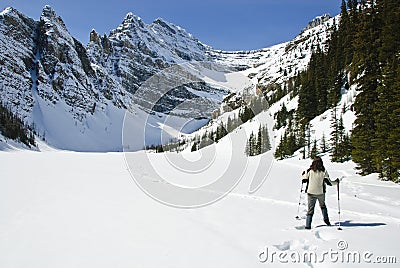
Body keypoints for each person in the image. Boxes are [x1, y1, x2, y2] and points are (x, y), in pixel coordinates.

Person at [301, 156, 339, 229]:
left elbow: (304, 180)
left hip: (310, 192)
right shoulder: (323, 171)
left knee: (310, 209)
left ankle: (308, 226)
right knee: (323, 206)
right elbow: (329, 183)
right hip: (320, 192)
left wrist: (302, 174)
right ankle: (326, 220)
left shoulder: (310, 170)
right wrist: (336, 182)